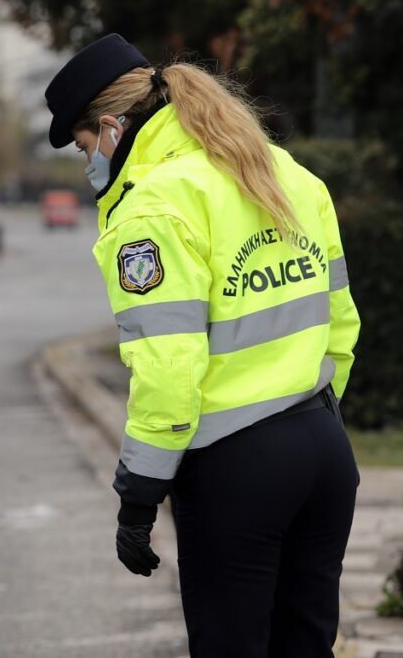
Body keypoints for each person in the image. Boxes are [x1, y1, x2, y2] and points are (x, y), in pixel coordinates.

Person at [44, 34, 360, 657]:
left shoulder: (155, 206)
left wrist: (138, 495)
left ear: (111, 127)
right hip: (324, 453)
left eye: (85, 146)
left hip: (239, 471)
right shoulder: (282, 171)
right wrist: (313, 419)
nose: (89, 165)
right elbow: (340, 321)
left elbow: (169, 366)